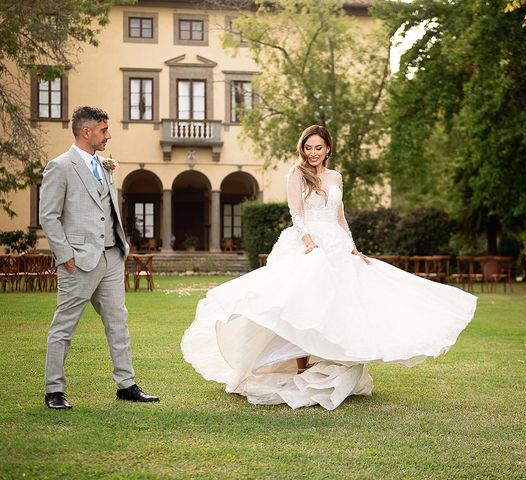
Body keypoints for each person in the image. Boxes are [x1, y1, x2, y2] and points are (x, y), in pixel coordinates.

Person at [182, 125, 477, 410]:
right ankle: (300, 368)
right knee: (300, 304)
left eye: (318, 148)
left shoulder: (336, 177)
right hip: (307, 243)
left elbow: (340, 217)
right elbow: (296, 212)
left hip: (336, 243)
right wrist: (309, 242)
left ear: (328, 149)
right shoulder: (297, 173)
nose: (312, 153)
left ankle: (332, 360)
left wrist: (352, 247)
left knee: (340, 305)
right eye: (308, 147)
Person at [39, 106, 159, 409]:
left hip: (111, 258)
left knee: (118, 323)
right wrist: (65, 255)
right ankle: (54, 390)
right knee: (64, 326)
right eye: (104, 130)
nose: (108, 135)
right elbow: (49, 217)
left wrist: (121, 248)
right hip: (77, 261)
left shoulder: (103, 166)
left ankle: (126, 385)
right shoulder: (60, 167)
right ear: (86, 132)